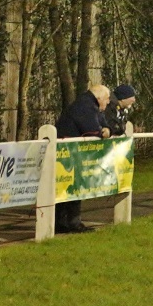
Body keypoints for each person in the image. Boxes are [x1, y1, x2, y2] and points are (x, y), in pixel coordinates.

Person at [54, 84, 112, 233]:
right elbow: (93, 130)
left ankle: (62, 223)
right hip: (68, 152)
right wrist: (103, 132)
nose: (108, 102)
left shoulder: (89, 104)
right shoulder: (85, 106)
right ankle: (72, 223)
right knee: (73, 187)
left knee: (67, 187)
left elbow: (105, 126)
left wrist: (106, 130)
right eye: (107, 98)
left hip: (69, 152)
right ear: (99, 97)